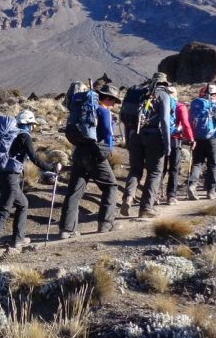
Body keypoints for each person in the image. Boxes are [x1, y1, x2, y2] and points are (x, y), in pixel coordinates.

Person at [0, 110, 59, 257]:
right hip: (10, 178)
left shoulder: (8, 133)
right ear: (29, 124)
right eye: (32, 125)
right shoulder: (24, 136)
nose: (33, 128)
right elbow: (35, 159)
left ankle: (18, 239)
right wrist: (53, 168)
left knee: (23, 203)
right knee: (4, 209)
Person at [58, 84, 121, 238]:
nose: (114, 104)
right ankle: (106, 223)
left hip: (79, 151)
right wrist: (109, 150)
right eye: (114, 101)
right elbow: (107, 133)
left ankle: (66, 229)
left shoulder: (83, 110)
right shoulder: (103, 111)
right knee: (111, 186)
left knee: (74, 191)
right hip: (95, 152)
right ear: (108, 98)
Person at [120, 72, 172, 218]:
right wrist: (168, 146)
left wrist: (129, 140)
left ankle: (128, 197)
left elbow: (125, 119)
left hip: (134, 135)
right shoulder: (163, 95)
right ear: (164, 83)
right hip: (154, 136)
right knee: (155, 172)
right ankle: (146, 208)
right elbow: (165, 122)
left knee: (135, 170)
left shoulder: (138, 93)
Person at [186, 85, 216, 200]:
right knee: (213, 165)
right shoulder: (215, 106)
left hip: (197, 139)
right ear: (213, 94)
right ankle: (211, 191)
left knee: (197, 163)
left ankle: (192, 184)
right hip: (212, 139)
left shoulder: (195, 105)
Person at [164, 86, 194, 205]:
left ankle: (154, 196)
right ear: (175, 95)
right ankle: (171, 196)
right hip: (175, 140)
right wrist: (191, 138)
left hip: (160, 139)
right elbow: (186, 124)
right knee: (174, 168)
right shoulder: (180, 106)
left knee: (159, 169)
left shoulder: (158, 104)